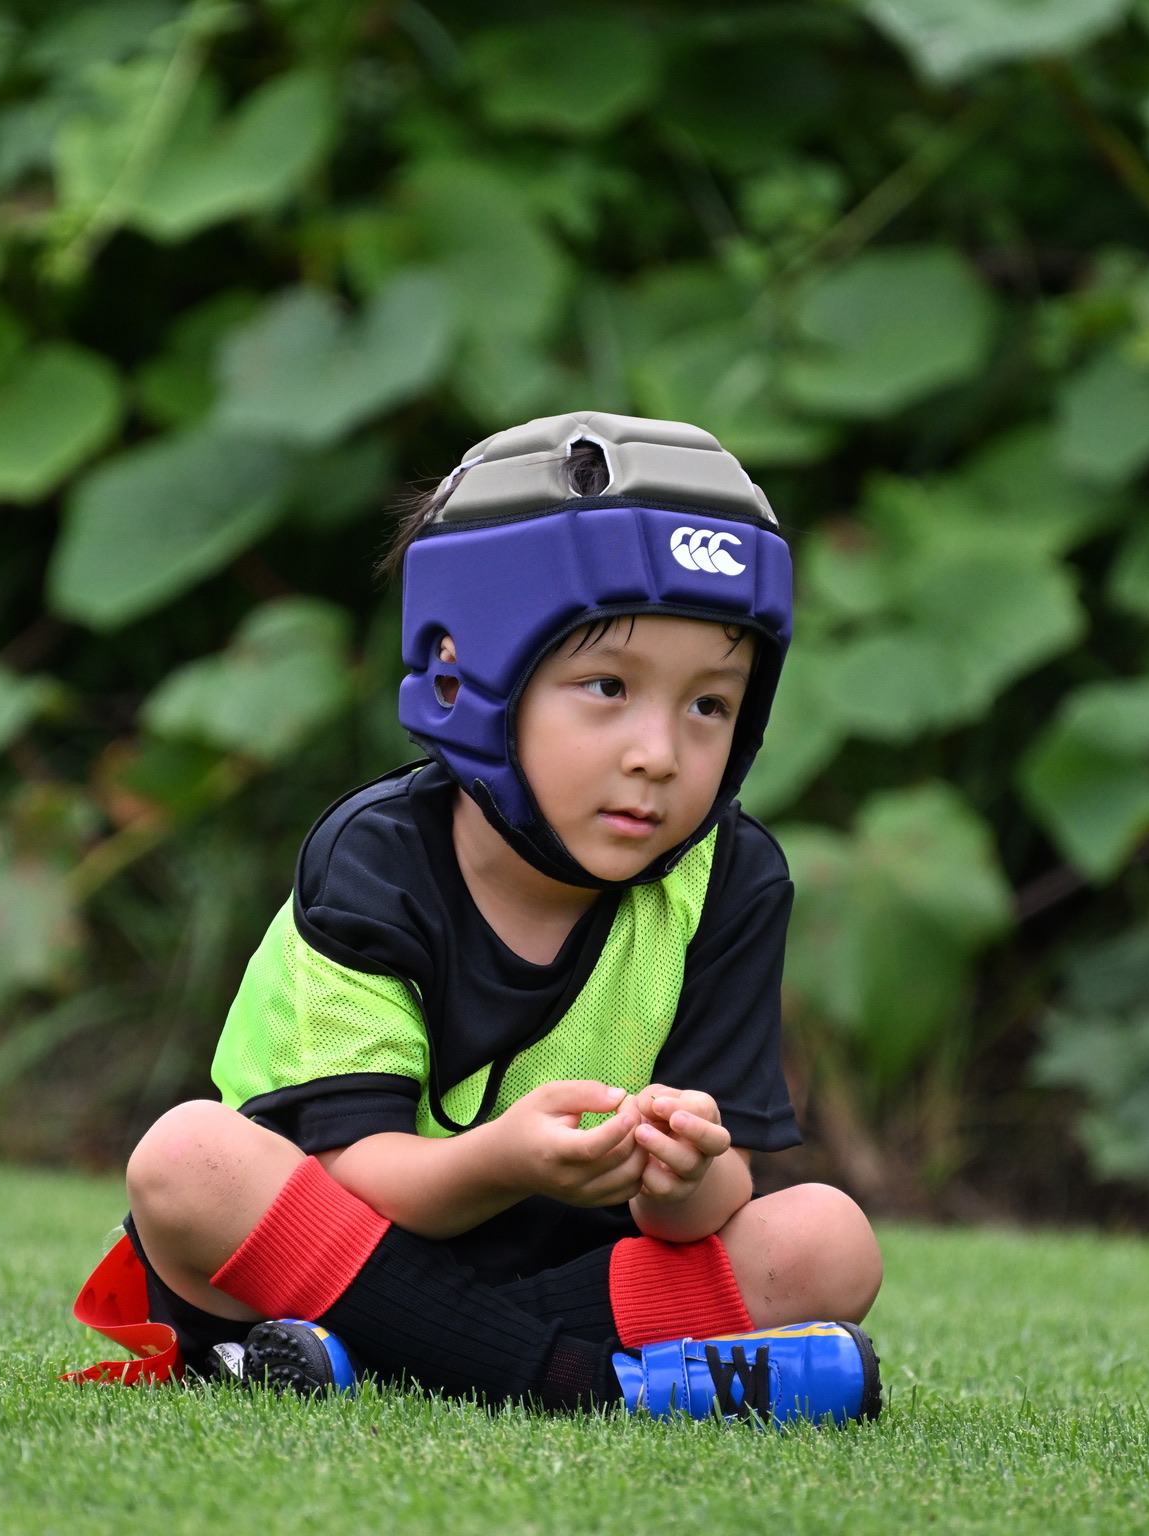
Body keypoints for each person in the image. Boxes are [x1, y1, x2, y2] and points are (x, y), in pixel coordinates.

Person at [114, 411, 884, 1425]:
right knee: (188, 1158)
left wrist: (680, 1176)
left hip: (563, 1272)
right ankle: (588, 1387)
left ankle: (376, 1365)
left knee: (830, 1241)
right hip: (337, 1253)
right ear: (461, 673)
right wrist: (505, 1160)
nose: (660, 755)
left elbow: (708, 1208)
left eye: (709, 705)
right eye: (607, 686)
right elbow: (357, 1175)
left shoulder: (730, 880)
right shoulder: (376, 860)